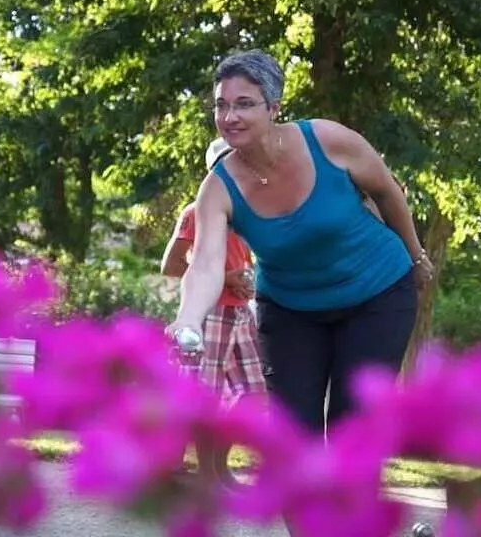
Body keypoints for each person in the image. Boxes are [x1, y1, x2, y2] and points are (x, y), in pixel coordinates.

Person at [167, 49, 433, 436]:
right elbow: (206, 262)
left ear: (274, 107)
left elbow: (388, 192)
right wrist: (188, 317)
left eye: (244, 104)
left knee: (353, 427)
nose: (229, 117)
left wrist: (415, 255)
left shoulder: (327, 140)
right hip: (291, 308)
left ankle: (351, 496)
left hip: (376, 294)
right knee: (293, 433)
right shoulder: (217, 188)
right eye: (221, 106)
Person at [161, 138, 268, 485]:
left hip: (240, 314)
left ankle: (218, 467)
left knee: (254, 394)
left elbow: (243, 262)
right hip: (210, 314)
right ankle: (208, 474)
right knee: (204, 396)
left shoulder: (250, 213)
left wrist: (247, 282)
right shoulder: (195, 211)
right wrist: (227, 278)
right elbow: (171, 265)